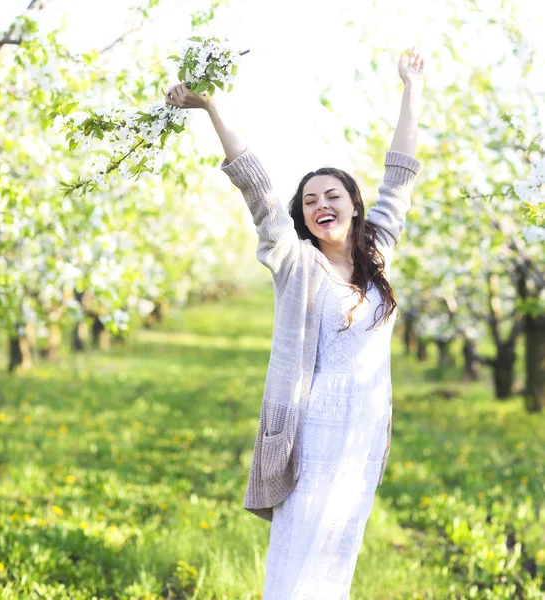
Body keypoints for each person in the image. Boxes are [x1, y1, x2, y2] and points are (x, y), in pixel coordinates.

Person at [166, 46, 424, 599]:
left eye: (333, 195)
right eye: (310, 201)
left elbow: (400, 176)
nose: (321, 205)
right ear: (302, 216)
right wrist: (212, 108)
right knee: (300, 553)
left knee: (338, 554)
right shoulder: (295, 262)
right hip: (312, 432)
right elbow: (257, 190)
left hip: (363, 432)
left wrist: (411, 88)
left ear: (355, 204)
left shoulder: (376, 251)